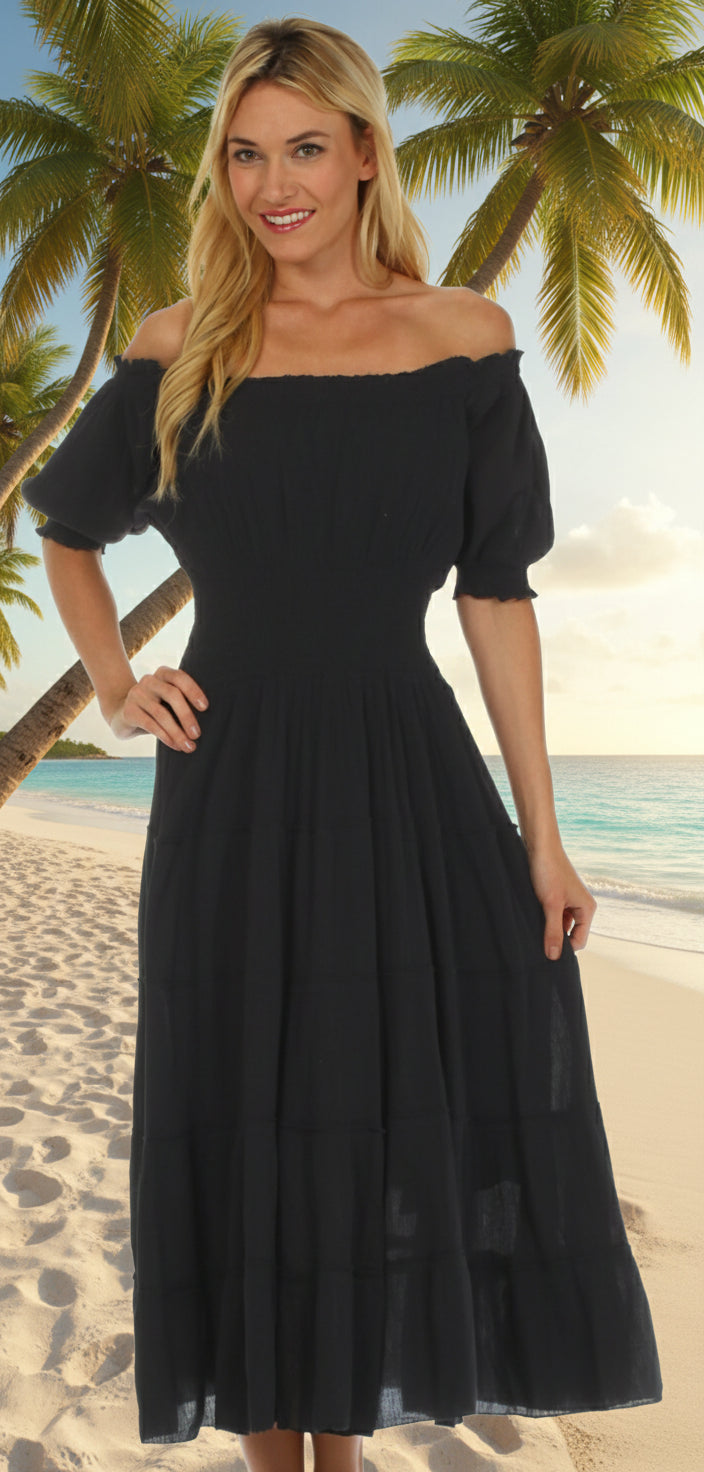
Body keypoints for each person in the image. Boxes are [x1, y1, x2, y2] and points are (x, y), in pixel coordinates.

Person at [22, 16, 663, 1472]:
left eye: (304, 148)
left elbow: (499, 601)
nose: (271, 185)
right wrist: (119, 681)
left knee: (382, 1112)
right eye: (244, 156)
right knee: (244, 1112)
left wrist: (544, 838)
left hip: (409, 780)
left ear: (367, 153)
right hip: (228, 783)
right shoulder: (180, 346)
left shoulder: (465, 340)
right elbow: (65, 529)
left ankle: (353, 1446)